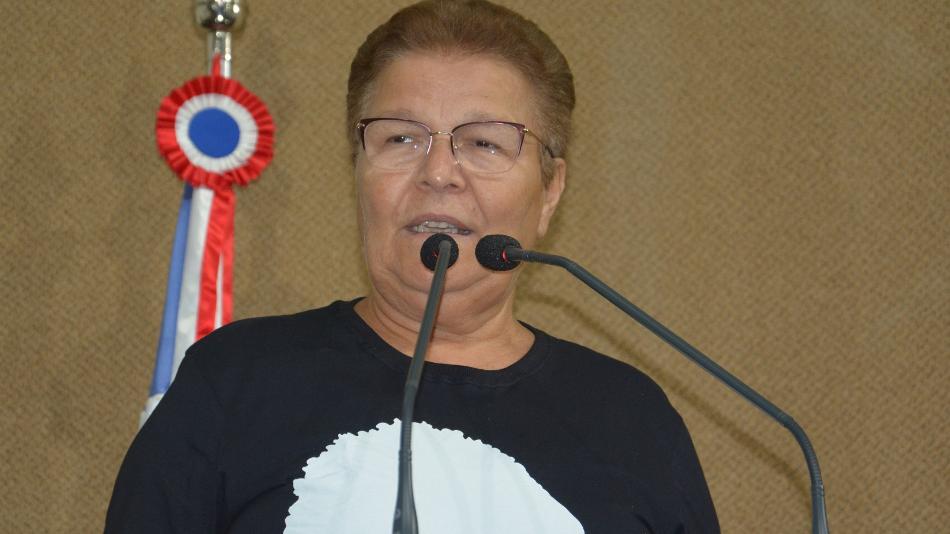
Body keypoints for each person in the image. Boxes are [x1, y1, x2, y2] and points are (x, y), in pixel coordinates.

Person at [105, 1, 719, 532]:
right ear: (358, 171)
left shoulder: (631, 422)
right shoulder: (234, 383)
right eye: (401, 138)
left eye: (484, 142)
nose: (439, 173)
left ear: (550, 190)